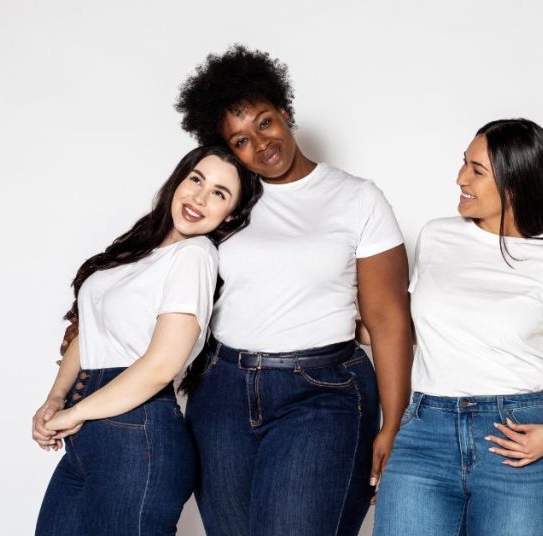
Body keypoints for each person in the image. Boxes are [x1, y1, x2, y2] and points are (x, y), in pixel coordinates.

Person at [173, 45, 415, 536]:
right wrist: (82, 328)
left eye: (264, 123)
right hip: (220, 392)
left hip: (321, 394)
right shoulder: (226, 200)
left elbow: (389, 318)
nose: (260, 144)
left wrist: (395, 421)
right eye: (239, 140)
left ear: (284, 112)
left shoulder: (356, 198)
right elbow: (159, 263)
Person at [373, 119, 543, 536]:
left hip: (516, 438)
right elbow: (410, 329)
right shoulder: (437, 237)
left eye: (477, 171)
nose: (460, 178)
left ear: (516, 183)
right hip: (426, 430)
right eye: (464, 164)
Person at [31, 145, 262, 536]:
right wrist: (55, 399)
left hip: (136, 436)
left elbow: (161, 366)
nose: (200, 198)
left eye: (219, 194)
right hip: (91, 435)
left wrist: (76, 412)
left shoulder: (195, 255)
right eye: (196, 180)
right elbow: (89, 333)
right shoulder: (137, 253)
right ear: (179, 180)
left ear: (232, 213)